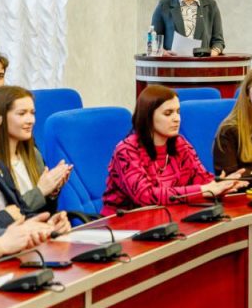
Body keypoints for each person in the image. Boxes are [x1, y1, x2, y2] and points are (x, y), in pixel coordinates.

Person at [102, 85, 244, 215]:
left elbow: (202, 179)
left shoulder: (180, 144)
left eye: (178, 112)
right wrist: (204, 190)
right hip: (123, 222)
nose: (177, 119)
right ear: (148, 116)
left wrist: (222, 185)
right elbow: (145, 196)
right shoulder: (126, 150)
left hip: (165, 216)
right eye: (168, 113)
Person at [0, 94, 70, 235]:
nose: (31, 120)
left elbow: (21, 211)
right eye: (22, 113)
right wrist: (7, 217)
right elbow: (11, 216)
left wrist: (48, 226)